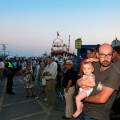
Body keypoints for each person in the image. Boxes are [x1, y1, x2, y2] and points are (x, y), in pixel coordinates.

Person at [76, 43, 120, 120]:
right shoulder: (95, 66)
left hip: (97, 116)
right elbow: (81, 79)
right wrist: (79, 82)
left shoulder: (114, 73)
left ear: (112, 55)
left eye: (109, 55)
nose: (106, 58)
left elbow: (102, 99)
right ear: (97, 55)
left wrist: (82, 98)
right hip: (84, 110)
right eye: (102, 54)